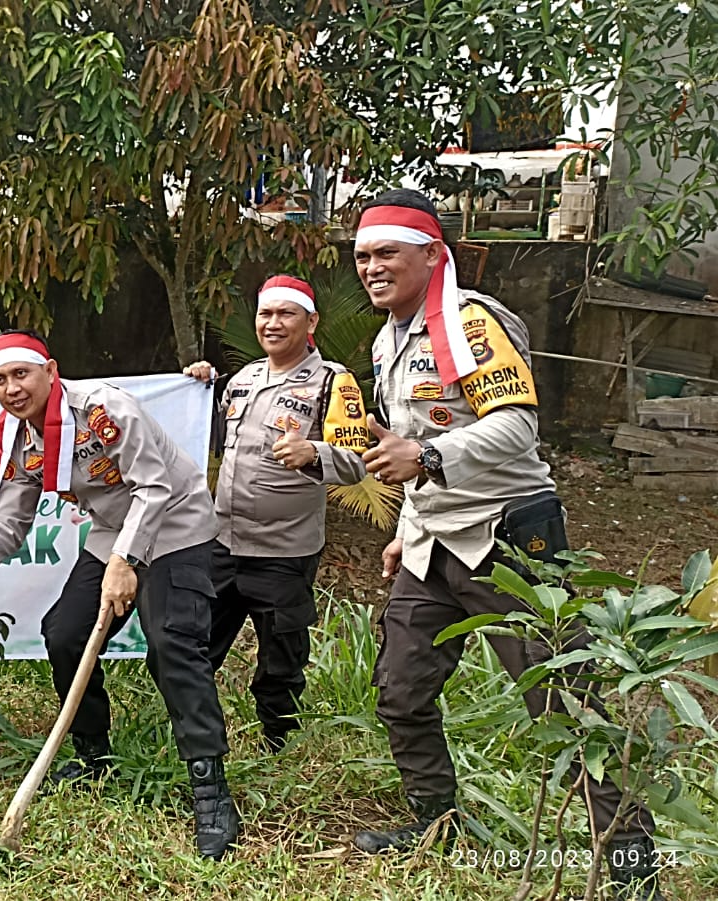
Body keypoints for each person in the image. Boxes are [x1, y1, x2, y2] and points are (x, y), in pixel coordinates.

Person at [353, 189, 662, 899]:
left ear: (432, 254)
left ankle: (631, 859)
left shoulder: (473, 324)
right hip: (433, 543)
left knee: (564, 703)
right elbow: (404, 443)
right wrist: (405, 530)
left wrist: (426, 461)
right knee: (400, 688)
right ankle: (435, 820)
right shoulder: (388, 338)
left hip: (507, 537)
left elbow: (518, 427)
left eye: (386, 253)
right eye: (363, 256)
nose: (371, 267)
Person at [0, 330, 241, 859]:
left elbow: (154, 488)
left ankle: (211, 791)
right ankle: (93, 756)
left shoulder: (105, 408)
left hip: (177, 523)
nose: (12, 388)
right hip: (114, 530)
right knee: (63, 633)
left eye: (21, 374)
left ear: (50, 371)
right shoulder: (18, 436)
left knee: (171, 644)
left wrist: (124, 563)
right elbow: (13, 517)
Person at [185, 275, 369, 752]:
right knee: (196, 644)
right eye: (266, 314)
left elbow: (354, 463)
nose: (273, 323)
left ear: (311, 322)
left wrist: (313, 452)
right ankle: (196, 736)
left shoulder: (332, 382)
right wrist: (195, 387)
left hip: (283, 552)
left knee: (280, 658)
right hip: (222, 544)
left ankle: (278, 741)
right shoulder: (242, 380)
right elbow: (207, 438)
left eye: (286, 314)